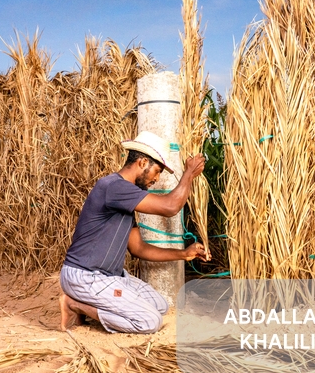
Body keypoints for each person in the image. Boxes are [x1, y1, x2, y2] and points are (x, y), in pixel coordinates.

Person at [59, 130, 210, 333]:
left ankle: (94, 303)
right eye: (157, 171)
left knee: (160, 306)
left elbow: (139, 249)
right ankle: (75, 304)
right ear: (141, 162)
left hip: (112, 277)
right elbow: (170, 207)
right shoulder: (113, 187)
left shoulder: (124, 199)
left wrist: (183, 254)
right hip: (86, 277)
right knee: (149, 322)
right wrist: (189, 173)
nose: (156, 179)